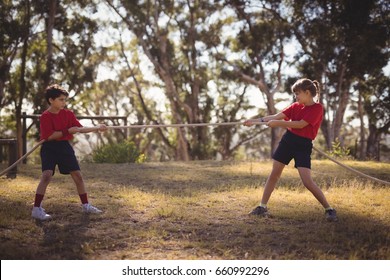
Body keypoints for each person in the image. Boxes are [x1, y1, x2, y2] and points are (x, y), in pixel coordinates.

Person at [244, 78, 337, 222]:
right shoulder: (295, 106)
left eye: (297, 93)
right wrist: (254, 122)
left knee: (307, 181)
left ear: (307, 93)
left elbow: (300, 124)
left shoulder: (317, 108)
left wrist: (278, 123)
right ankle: (262, 207)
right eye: (295, 94)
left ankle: (329, 209)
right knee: (274, 173)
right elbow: (274, 117)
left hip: (303, 145)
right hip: (288, 141)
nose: (296, 97)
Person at [31, 84, 107, 221]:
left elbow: (79, 128)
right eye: (61, 99)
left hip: (64, 147)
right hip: (49, 148)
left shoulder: (68, 114)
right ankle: (36, 209)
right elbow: (49, 137)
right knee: (47, 175)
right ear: (51, 100)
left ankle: (86, 205)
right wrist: (67, 131)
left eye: (64, 99)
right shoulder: (45, 116)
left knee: (77, 176)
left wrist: (97, 127)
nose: (63, 102)